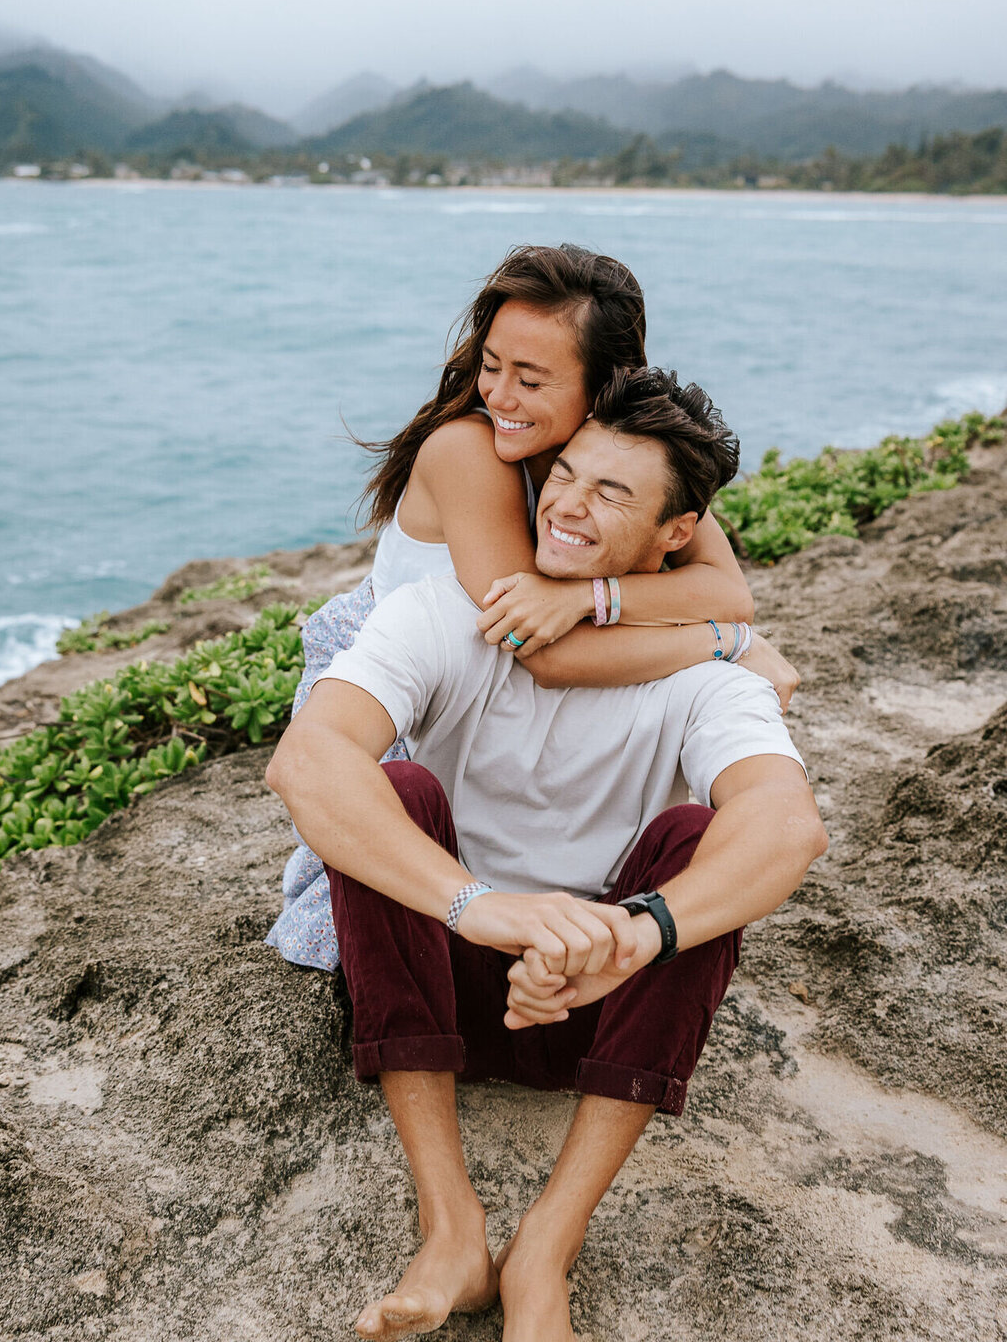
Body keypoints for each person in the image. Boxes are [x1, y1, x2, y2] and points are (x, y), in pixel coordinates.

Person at [265, 368, 828, 1342]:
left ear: (678, 538)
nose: (567, 503)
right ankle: (454, 1228)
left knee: (698, 845)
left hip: (598, 1000)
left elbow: (786, 829)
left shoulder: (708, 674)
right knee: (393, 792)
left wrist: (635, 933)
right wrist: (480, 906)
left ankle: (543, 1256)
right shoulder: (446, 614)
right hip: (446, 979)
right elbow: (308, 762)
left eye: (612, 494)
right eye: (562, 474)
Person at [268, 244, 796, 968]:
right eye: (491, 366)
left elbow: (729, 591)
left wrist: (590, 593)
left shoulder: (617, 451)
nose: (501, 397)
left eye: (532, 378)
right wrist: (727, 646)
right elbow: (551, 655)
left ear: (606, 384)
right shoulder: (469, 450)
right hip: (417, 685)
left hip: (509, 692)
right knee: (399, 911)